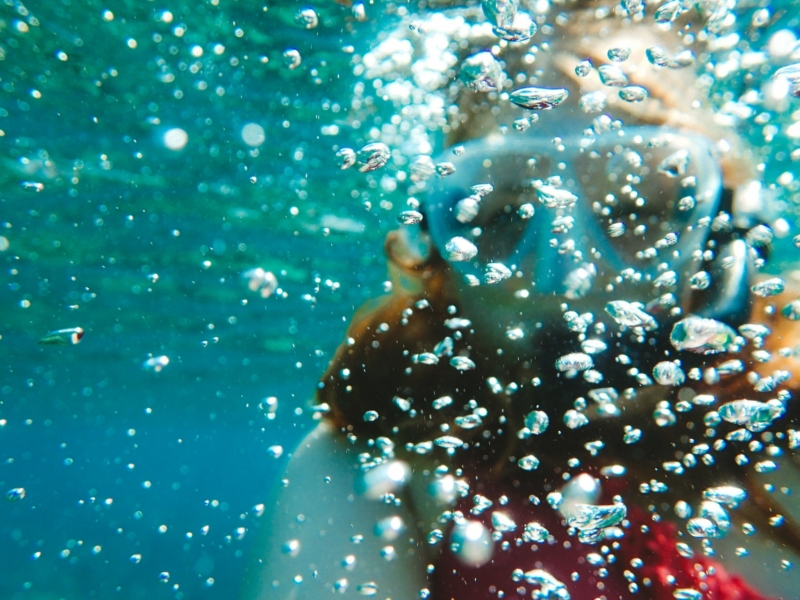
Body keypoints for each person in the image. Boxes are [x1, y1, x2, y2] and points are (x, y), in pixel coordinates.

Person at [243, 1, 800, 598]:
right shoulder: (374, 470)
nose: (566, 275)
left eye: (636, 210)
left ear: (724, 246)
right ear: (437, 251)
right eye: (504, 216)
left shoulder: (781, 437)